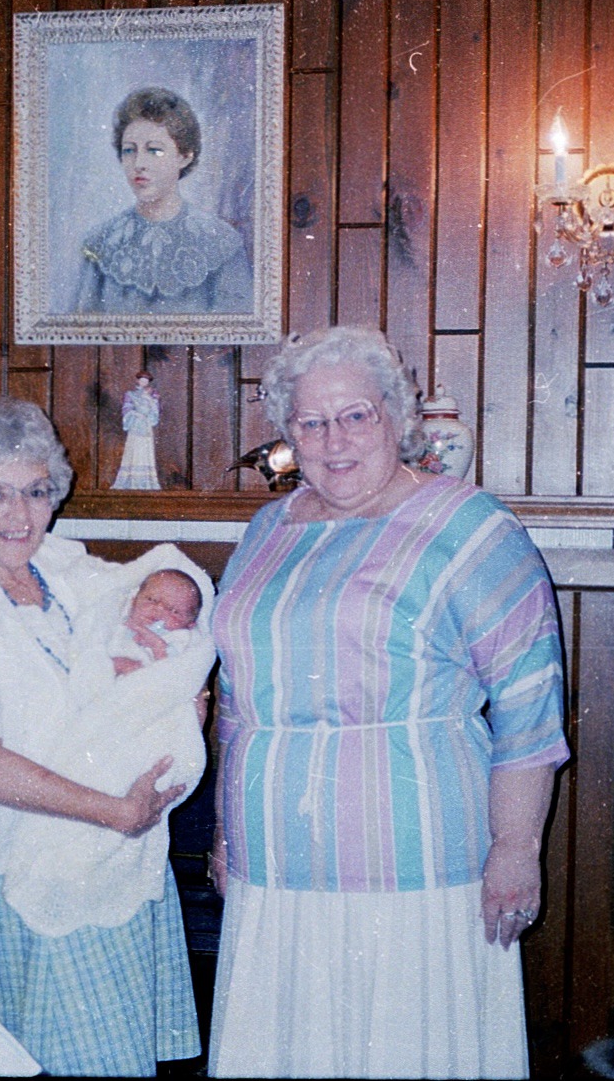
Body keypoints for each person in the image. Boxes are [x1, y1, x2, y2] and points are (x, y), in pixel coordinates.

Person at [205, 327, 570, 1079]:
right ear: (287, 434)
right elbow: (237, 697)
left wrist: (515, 848)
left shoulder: (468, 524)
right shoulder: (268, 528)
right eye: (310, 422)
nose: (333, 439)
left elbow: (530, 702)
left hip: (414, 857)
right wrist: (221, 828)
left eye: (356, 416)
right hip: (272, 856)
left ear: (396, 418)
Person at [0, 396, 202, 1076]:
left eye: (36, 492)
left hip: (124, 867)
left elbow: (174, 629)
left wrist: (183, 698)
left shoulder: (70, 576)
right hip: (39, 881)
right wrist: (117, 812)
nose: (20, 515)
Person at [2, 554, 215, 940]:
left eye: (175, 611)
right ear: (134, 597)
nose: (160, 613)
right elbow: (86, 670)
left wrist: (158, 659)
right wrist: (109, 665)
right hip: (98, 732)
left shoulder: (185, 643)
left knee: (125, 787)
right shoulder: (111, 625)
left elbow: (179, 685)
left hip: (146, 735)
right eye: (153, 601)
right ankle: (69, 860)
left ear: (189, 622)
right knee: (83, 788)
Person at [73, 87, 253, 315]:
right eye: (129, 150)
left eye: (154, 151)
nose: (139, 163)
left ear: (184, 156)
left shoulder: (222, 243)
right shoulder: (99, 242)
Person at [109, 567, 203, 675]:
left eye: (174, 611)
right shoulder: (119, 614)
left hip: (143, 681)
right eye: (152, 600)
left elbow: (170, 670)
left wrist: (156, 644)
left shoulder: (178, 638)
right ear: (134, 601)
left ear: (189, 625)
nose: (159, 609)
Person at [113, 370, 163, 490]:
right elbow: (126, 409)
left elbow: (155, 411)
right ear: (138, 381)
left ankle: (147, 481)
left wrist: (149, 407)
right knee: (134, 448)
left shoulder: (153, 394)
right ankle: (131, 480)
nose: (143, 382)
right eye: (141, 380)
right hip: (135, 424)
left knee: (145, 450)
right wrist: (135, 414)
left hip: (146, 425)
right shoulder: (131, 394)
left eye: (146, 380)